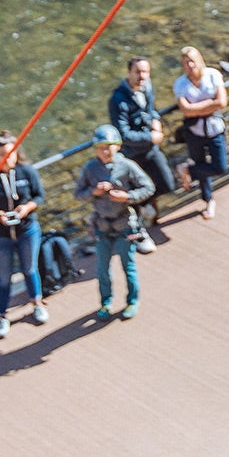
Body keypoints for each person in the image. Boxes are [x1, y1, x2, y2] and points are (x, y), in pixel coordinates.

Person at [74, 124, 152, 320]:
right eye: (101, 147)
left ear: (118, 146)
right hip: (101, 227)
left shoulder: (126, 166)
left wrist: (127, 197)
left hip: (124, 225)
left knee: (129, 267)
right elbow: (78, 194)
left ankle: (132, 301)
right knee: (102, 270)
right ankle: (105, 302)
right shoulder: (90, 169)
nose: (105, 151)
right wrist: (94, 192)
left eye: (109, 146)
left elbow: (148, 187)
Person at [0, 130, 48, 337]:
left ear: (16, 153)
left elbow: (40, 196)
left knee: (30, 269)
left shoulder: (27, 172)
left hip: (27, 231)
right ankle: (2, 316)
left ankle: (37, 303)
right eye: (1, 155)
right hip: (1, 237)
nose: (5, 159)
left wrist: (27, 207)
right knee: (4, 277)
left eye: (9, 153)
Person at [106, 56, 176, 242]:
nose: (142, 76)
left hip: (150, 150)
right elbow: (123, 133)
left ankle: (146, 205)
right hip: (133, 156)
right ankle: (138, 229)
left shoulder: (147, 87)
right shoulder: (117, 99)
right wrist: (150, 137)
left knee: (168, 183)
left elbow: (151, 110)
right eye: (138, 72)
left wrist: (156, 122)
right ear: (129, 72)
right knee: (136, 191)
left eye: (145, 72)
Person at [173, 46, 228, 219]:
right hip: (194, 132)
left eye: (192, 60)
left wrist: (196, 108)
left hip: (215, 130)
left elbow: (222, 102)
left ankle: (186, 169)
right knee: (201, 164)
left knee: (220, 167)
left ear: (199, 60)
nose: (190, 65)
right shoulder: (180, 84)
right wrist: (209, 105)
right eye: (186, 62)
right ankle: (208, 199)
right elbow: (186, 110)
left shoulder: (213, 75)